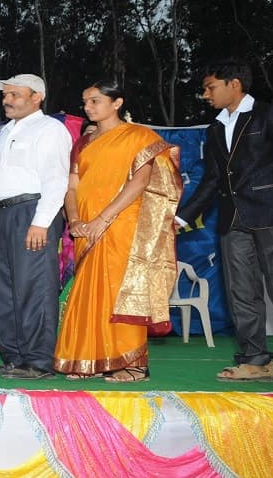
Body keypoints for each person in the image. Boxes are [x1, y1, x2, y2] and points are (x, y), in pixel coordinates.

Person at [176, 59, 273, 388]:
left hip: (272, 215)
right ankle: (256, 361)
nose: (206, 94)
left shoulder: (269, 114)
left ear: (234, 84)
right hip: (232, 219)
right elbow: (213, 179)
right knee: (241, 290)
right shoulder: (216, 128)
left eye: (210, 87)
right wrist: (182, 217)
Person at [53, 81, 182, 382]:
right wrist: (75, 220)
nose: (87, 107)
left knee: (120, 293)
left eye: (95, 101)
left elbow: (140, 182)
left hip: (122, 224)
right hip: (86, 227)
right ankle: (89, 360)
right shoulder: (83, 143)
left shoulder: (139, 137)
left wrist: (104, 219)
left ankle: (133, 363)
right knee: (88, 294)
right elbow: (72, 187)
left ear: (117, 103)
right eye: (85, 101)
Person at [0, 74, 71, 379]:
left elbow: (56, 179)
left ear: (36, 97)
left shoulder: (50, 129)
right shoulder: (5, 131)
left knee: (34, 287)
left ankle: (38, 361)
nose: (7, 100)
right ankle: (14, 358)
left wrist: (41, 223)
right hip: (3, 212)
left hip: (33, 211)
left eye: (15, 95)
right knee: (2, 290)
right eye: (5, 95)